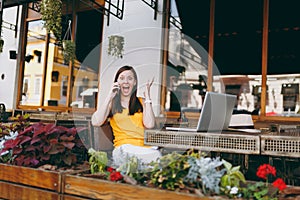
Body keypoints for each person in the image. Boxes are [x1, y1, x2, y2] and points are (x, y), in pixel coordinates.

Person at [91, 65, 161, 167]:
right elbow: (95, 122)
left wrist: (148, 98)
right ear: (117, 82)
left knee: (156, 156)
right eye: (122, 78)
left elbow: (149, 124)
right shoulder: (112, 103)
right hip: (123, 148)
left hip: (145, 149)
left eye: (130, 78)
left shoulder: (141, 102)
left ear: (135, 82)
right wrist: (110, 96)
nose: (126, 82)